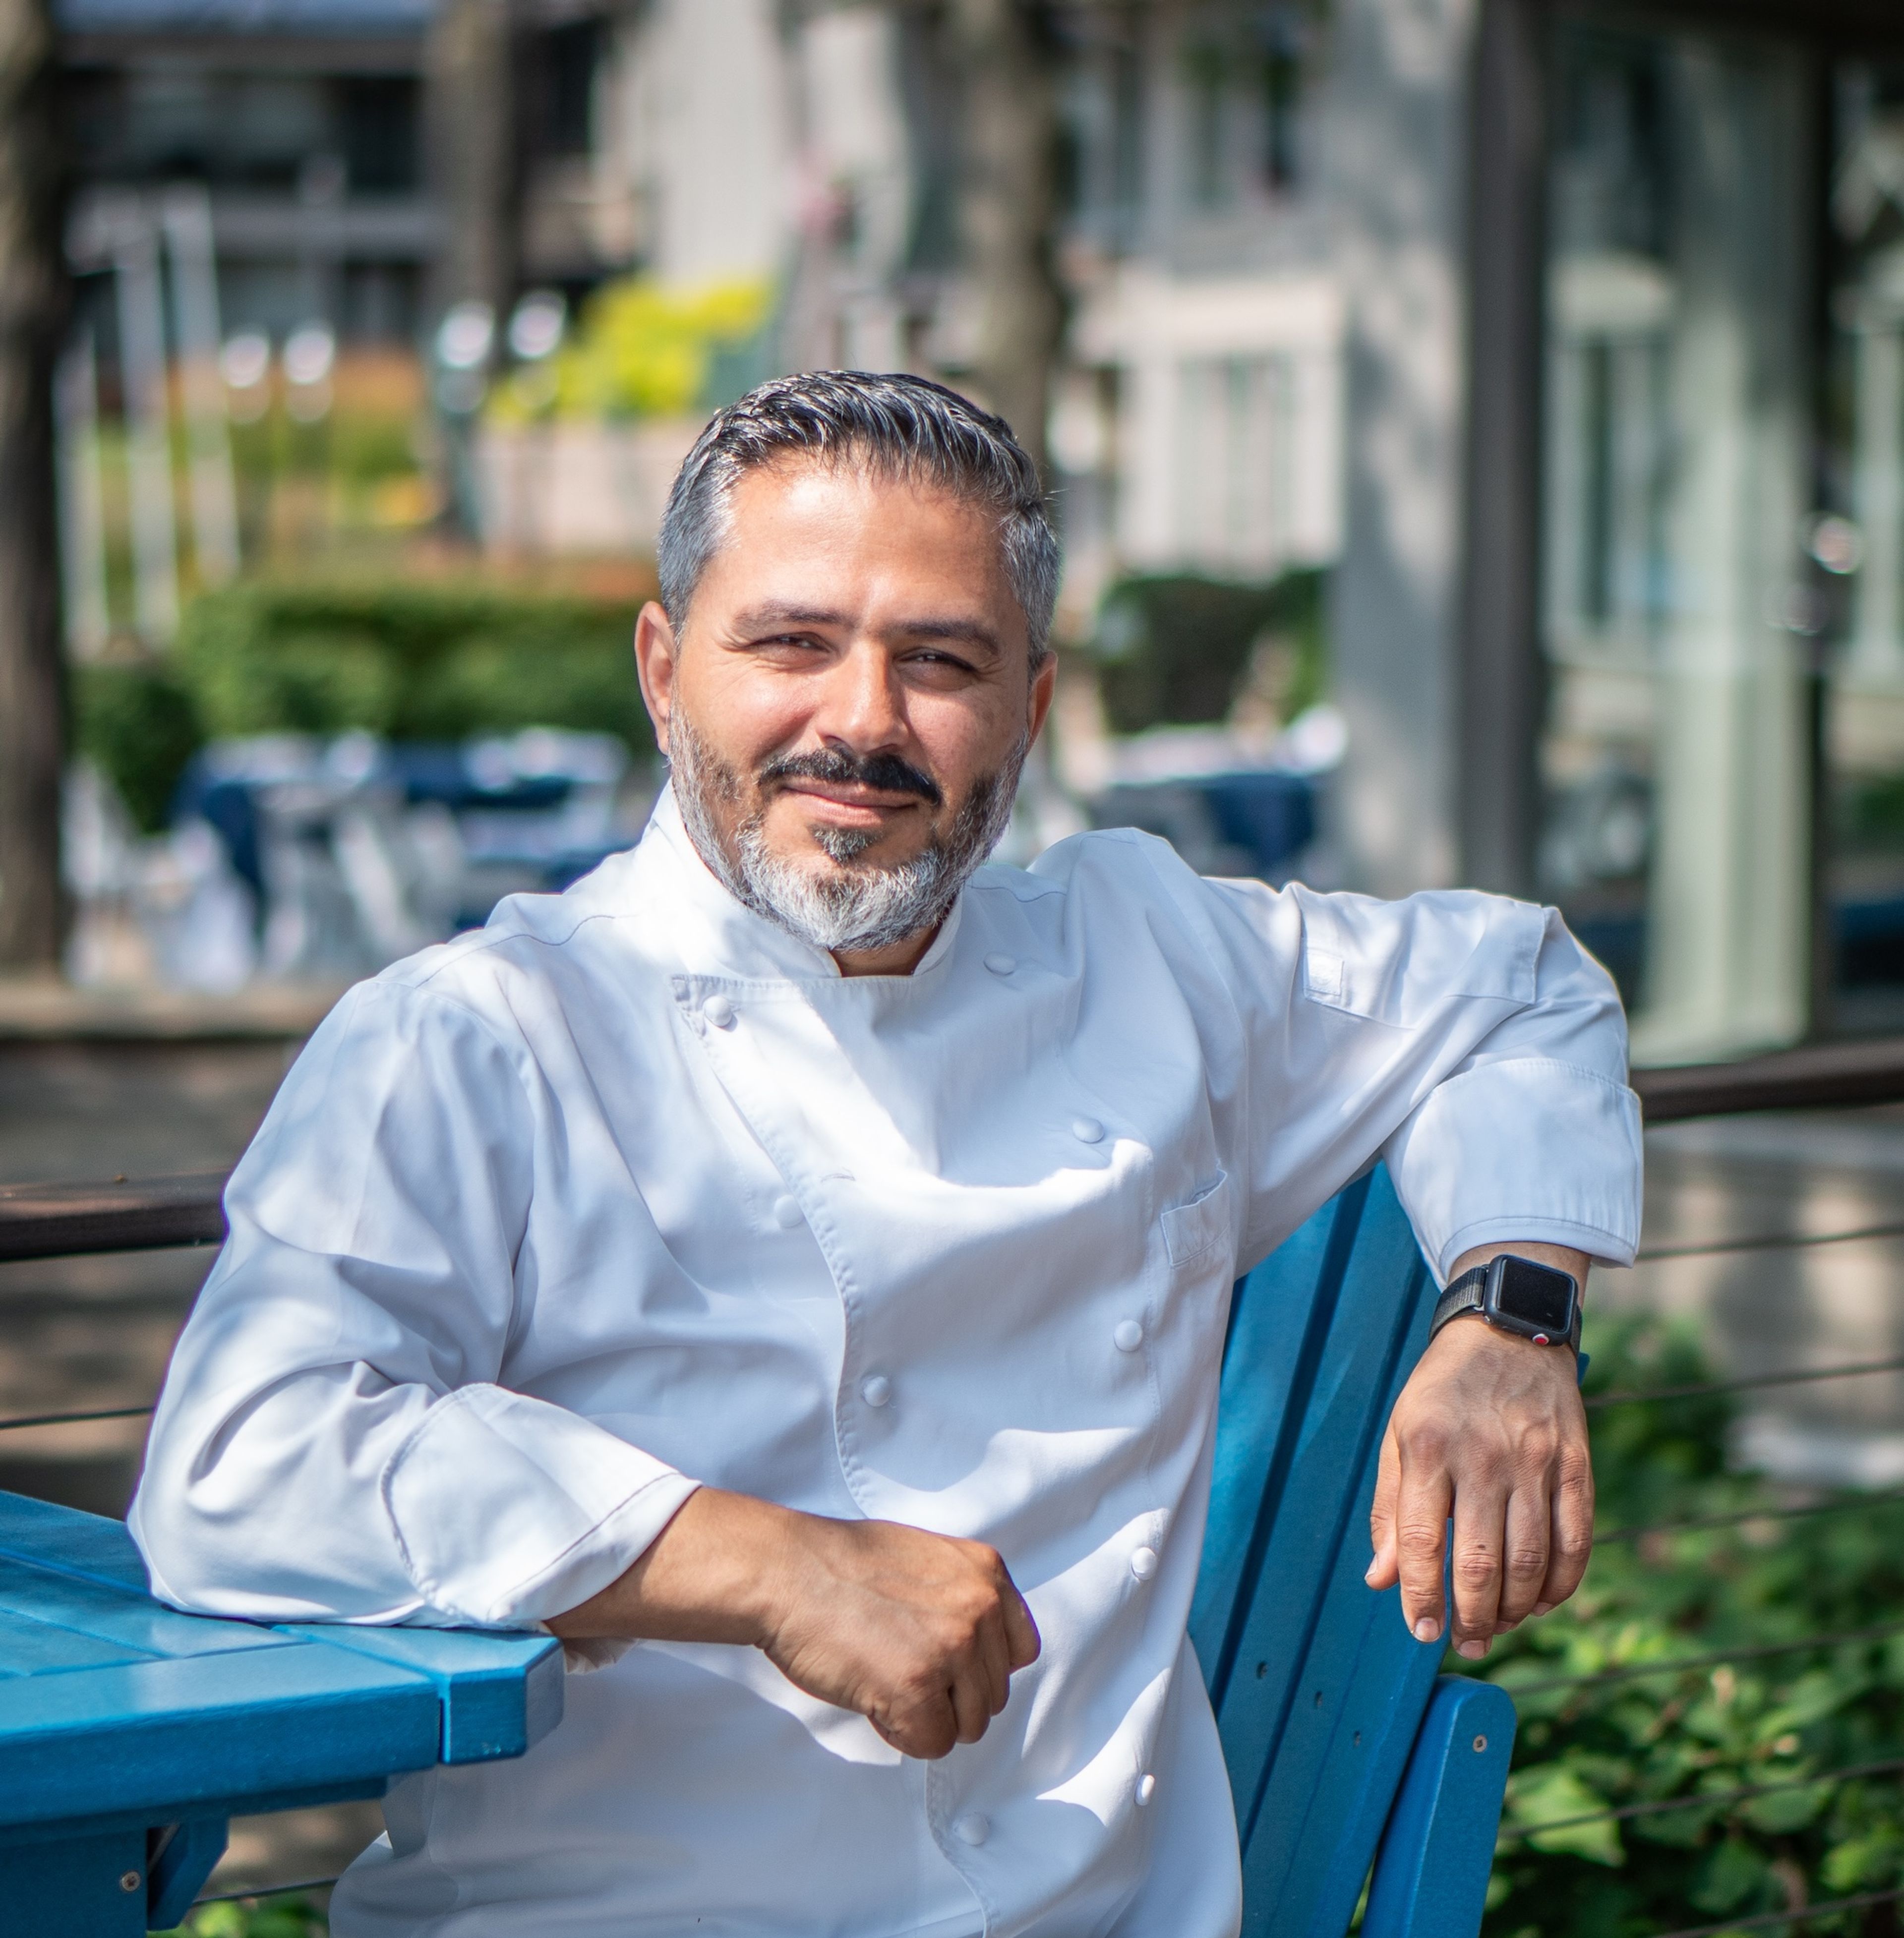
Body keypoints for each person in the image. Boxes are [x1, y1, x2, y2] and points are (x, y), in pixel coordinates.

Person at [132, 371, 1641, 1938]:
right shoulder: (481, 1035)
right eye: (791, 643)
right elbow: (244, 1461)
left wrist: (1511, 1322)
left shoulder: (1151, 954)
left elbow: (1523, 986)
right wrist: (767, 1566)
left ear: (1030, 711)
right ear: (664, 673)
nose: (862, 721)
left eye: (940, 661)